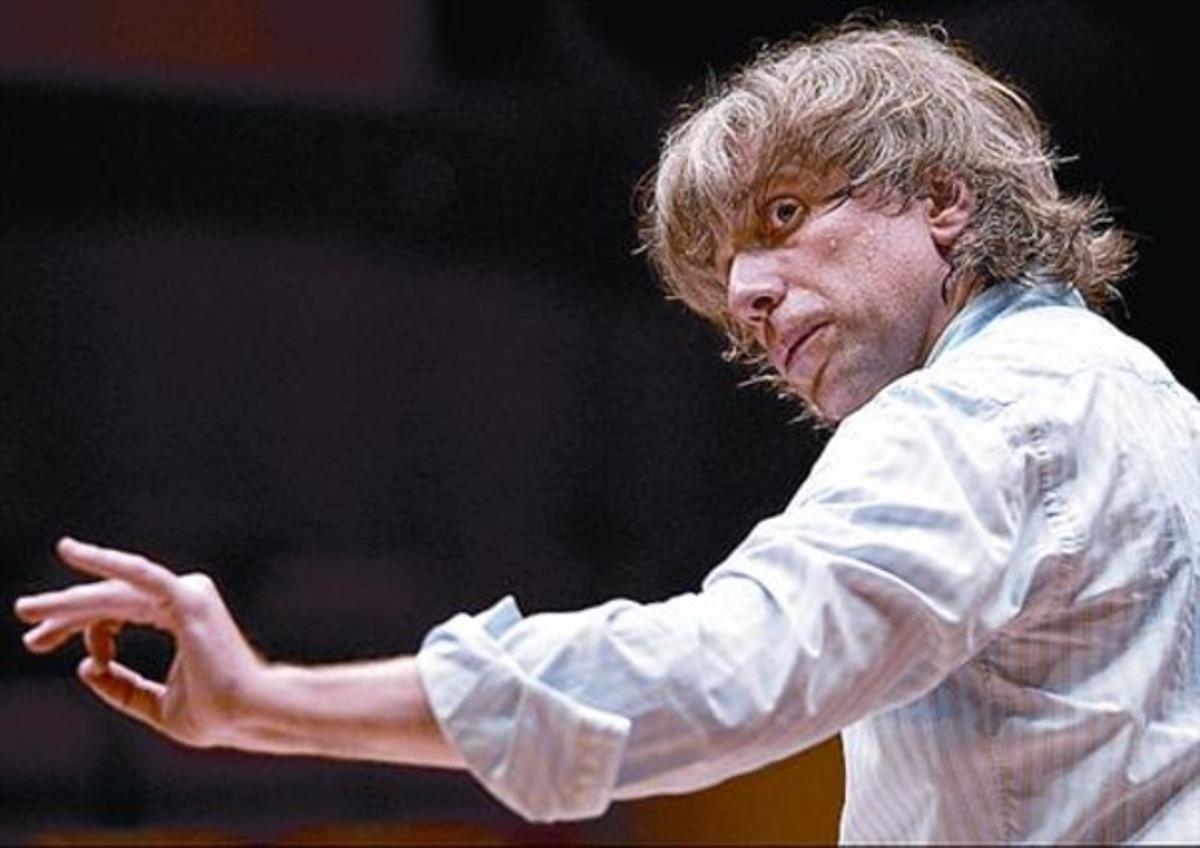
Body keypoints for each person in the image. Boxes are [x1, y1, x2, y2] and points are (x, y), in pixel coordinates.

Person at [14, 20, 1199, 843]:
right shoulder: (1156, 410)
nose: (749, 292)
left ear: (944, 200)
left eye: (783, 215)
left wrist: (270, 701)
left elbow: (714, 676)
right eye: (731, 276)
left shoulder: (979, 416)